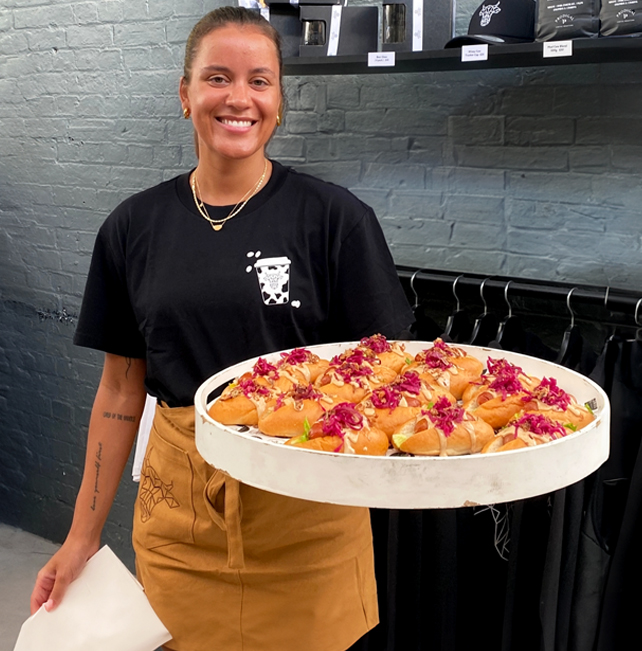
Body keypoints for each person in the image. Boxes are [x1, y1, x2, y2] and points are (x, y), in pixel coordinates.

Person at [31, 7, 414, 651]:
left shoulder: (336, 220)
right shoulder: (133, 228)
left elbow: (388, 380)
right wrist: (81, 536)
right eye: (217, 77)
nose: (239, 98)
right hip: (182, 516)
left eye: (260, 81)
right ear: (185, 95)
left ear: (280, 101)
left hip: (308, 515)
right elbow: (121, 394)